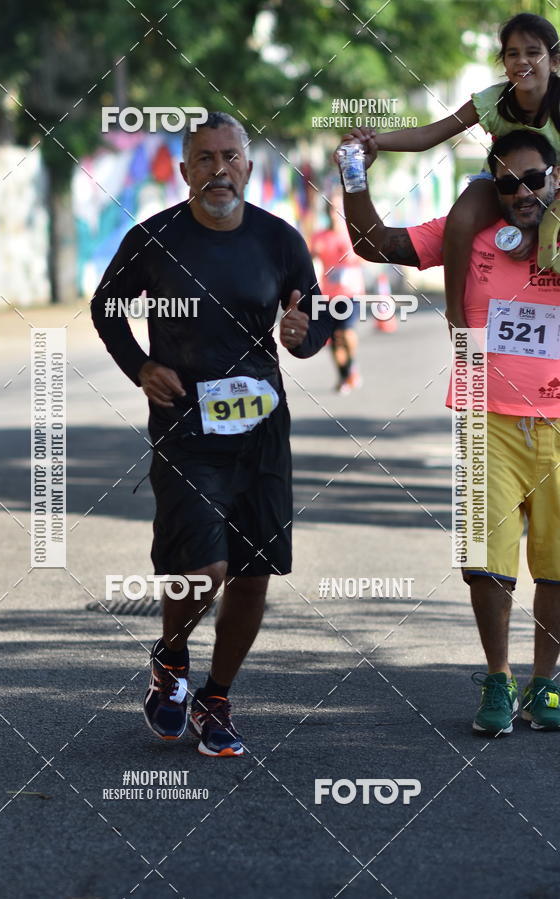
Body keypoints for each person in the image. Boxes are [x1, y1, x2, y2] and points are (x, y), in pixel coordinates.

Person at [91, 111, 332, 757]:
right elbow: (106, 305)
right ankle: (171, 657)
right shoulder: (156, 237)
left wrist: (307, 334)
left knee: (252, 575)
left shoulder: (279, 239)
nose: (218, 169)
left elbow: (318, 313)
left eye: (230, 157)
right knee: (204, 567)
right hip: (185, 428)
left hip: (261, 431)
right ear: (184, 169)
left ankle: (216, 696)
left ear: (248, 168)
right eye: (204, 158)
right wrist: (140, 365)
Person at [338, 126, 560, 736]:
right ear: (492, 183)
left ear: (554, 180)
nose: (522, 192)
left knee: (558, 566)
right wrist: (355, 172)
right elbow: (371, 241)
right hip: (484, 416)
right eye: (508, 181)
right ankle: (498, 677)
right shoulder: (469, 233)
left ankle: (547, 683)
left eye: (534, 180)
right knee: (484, 563)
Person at [349, 13, 560, 333]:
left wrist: (538, 226)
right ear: (502, 62)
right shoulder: (493, 100)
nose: (522, 61)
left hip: (554, 184)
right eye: (512, 53)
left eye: (533, 52)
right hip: (503, 184)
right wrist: (372, 142)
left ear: (554, 60)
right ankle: (455, 312)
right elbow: (427, 136)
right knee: (461, 217)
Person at [311, 202, 364, 393]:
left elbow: (368, 258)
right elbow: (309, 259)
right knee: (333, 338)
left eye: (337, 212)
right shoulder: (319, 237)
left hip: (351, 293)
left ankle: (352, 365)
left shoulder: (353, 234)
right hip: (329, 295)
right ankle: (343, 375)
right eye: (331, 212)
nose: (334, 216)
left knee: (347, 332)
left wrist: (354, 257)